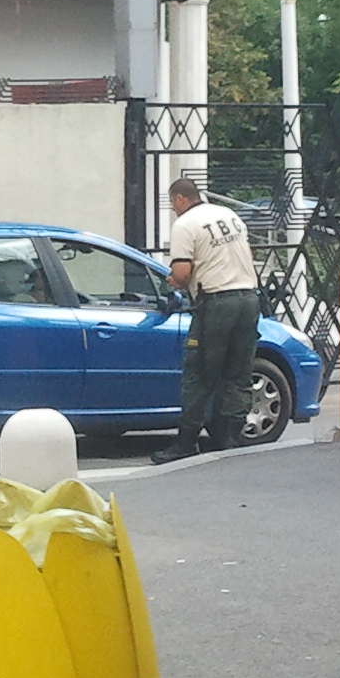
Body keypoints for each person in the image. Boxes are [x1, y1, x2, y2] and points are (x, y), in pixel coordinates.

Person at [151, 176, 261, 464]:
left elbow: (183, 273)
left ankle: (186, 442)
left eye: (173, 204)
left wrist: (173, 281)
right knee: (238, 372)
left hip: (216, 304)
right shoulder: (229, 215)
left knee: (198, 373)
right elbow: (245, 255)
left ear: (180, 199)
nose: (174, 210)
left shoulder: (185, 224)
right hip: (248, 299)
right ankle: (230, 438)